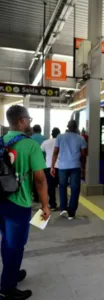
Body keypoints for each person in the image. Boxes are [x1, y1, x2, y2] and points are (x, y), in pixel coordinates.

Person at [0, 105, 50, 300]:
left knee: (6, 240)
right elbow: (40, 180)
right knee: (16, 245)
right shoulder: (30, 145)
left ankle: (10, 273)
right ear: (21, 120)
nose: (30, 122)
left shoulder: (1, 141)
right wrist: (45, 205)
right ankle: (7, 289)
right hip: (19, 203)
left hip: (1, 200)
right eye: (28, 118)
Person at [51, 120, 87, 220]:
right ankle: (71, 213)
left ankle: (63, 208)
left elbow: (55, 152)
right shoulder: (81, 139)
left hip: (62, 167)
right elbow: (83, 155)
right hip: (75, 166)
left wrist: (52, 166)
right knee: (75, 189)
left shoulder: (60, 137)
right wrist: (83, 168)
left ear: (67, 126)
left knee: (62, 186)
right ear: (76, 127)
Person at [41, 128, 60, 211]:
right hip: (61, 166)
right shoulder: (61, 142)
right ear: (59, 134)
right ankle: (63, 206)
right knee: (62, 186)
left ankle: (53, 204)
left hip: (49, 166)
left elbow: (40, 151)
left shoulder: (46, 142)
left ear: (51, 134)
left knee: (50, 186)